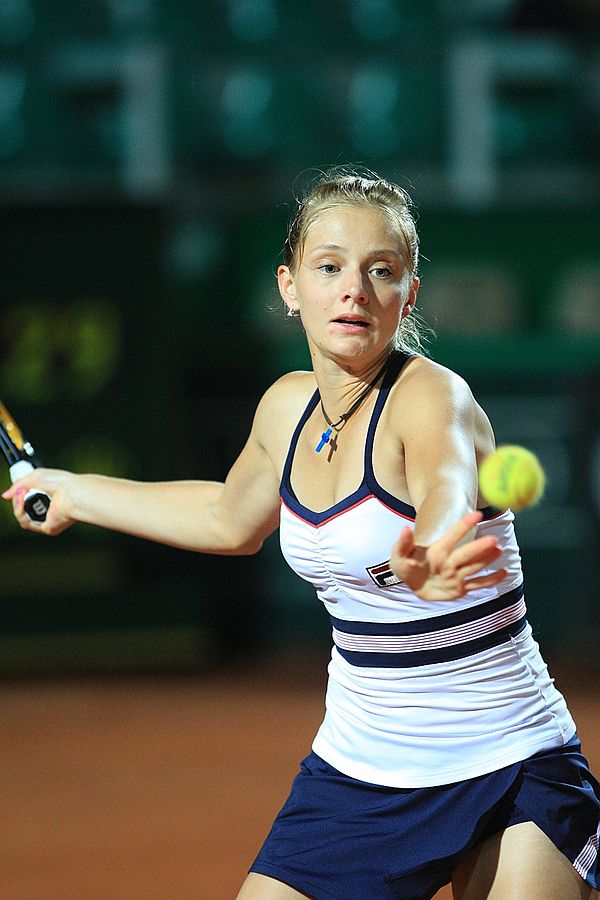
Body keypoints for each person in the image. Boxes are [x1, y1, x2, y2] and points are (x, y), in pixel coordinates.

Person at [4, 170, 599, 900]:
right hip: (360, 772)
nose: (354, 289)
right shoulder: (285, 408)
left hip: (508, 758)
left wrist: (436, 545)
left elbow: (446, 486)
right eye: (330, 267)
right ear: (290, 287)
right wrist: (73, 491)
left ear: (408, 295)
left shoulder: (432, 396)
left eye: (381, 271)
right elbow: (227, 517)